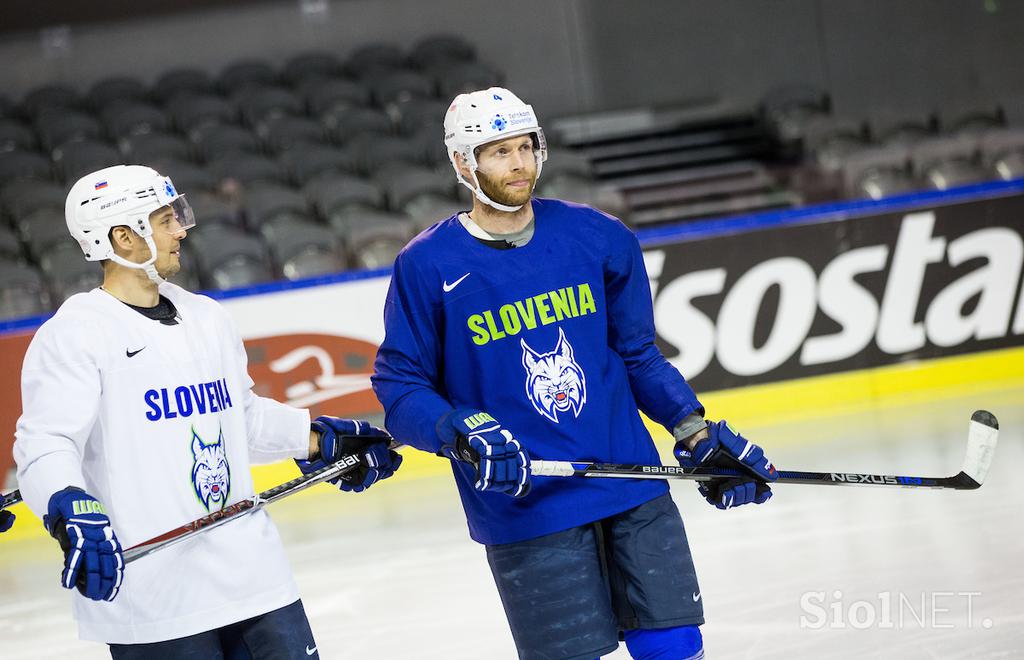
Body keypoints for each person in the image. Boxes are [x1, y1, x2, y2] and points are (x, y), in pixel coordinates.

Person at [372, 87, 777, 659]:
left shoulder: (599, 236)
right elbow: (400, 386)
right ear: (464, 163)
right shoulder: (427, 265)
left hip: (630, 482)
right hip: (526, 505)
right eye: (498, 152)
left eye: (525, 147)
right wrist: (457, 430)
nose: (519, 164)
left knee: (675, 643)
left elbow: (637, 353)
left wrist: (693, 431)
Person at [13, 164, 402, 659]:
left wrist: (321, 439)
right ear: (122, 237)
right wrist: (69, 507)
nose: (181, 229)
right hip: (156, 600)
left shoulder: (206, 316)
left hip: (255, 580)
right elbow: (45, 443)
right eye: (164, 219)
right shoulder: (76, 334)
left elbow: (239, 418)